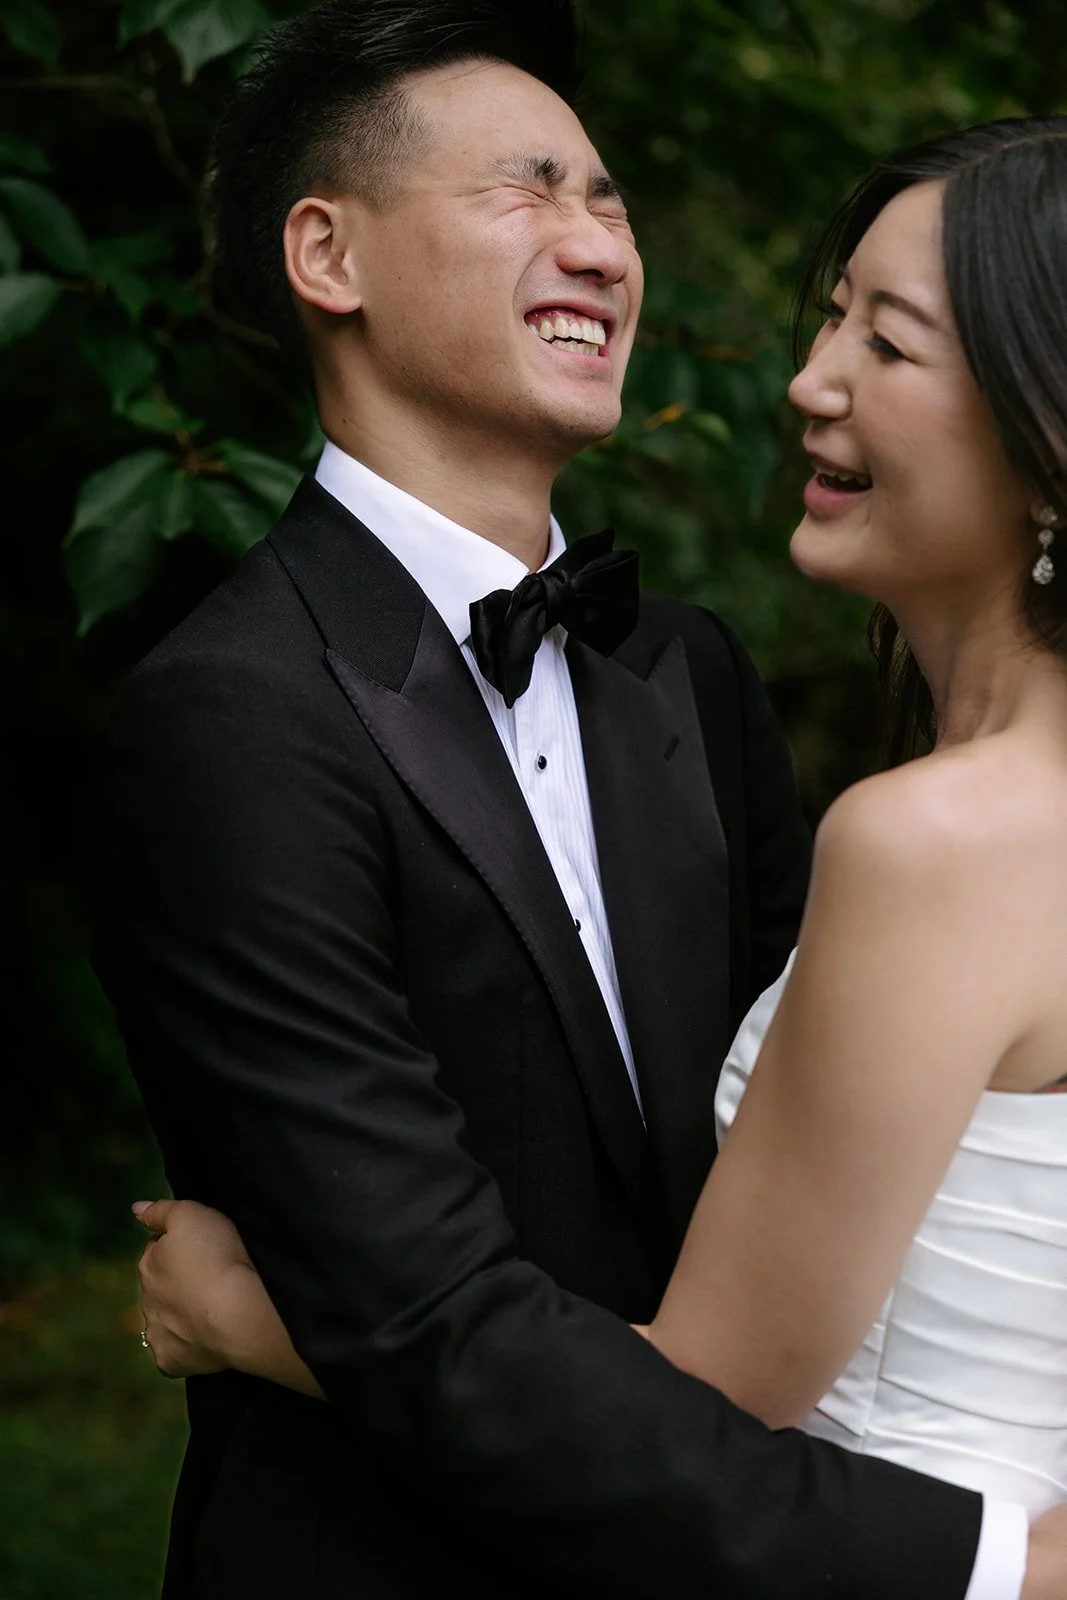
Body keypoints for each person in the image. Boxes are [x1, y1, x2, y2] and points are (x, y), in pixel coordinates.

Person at [93, 0, 1067, 1591]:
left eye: (610, 199)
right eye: (527, 189)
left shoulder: (689, 678)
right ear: (327, 256)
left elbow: (799, 1276)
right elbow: (424, 1308)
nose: (601, 244)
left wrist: (258, 1325)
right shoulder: (227, 720)